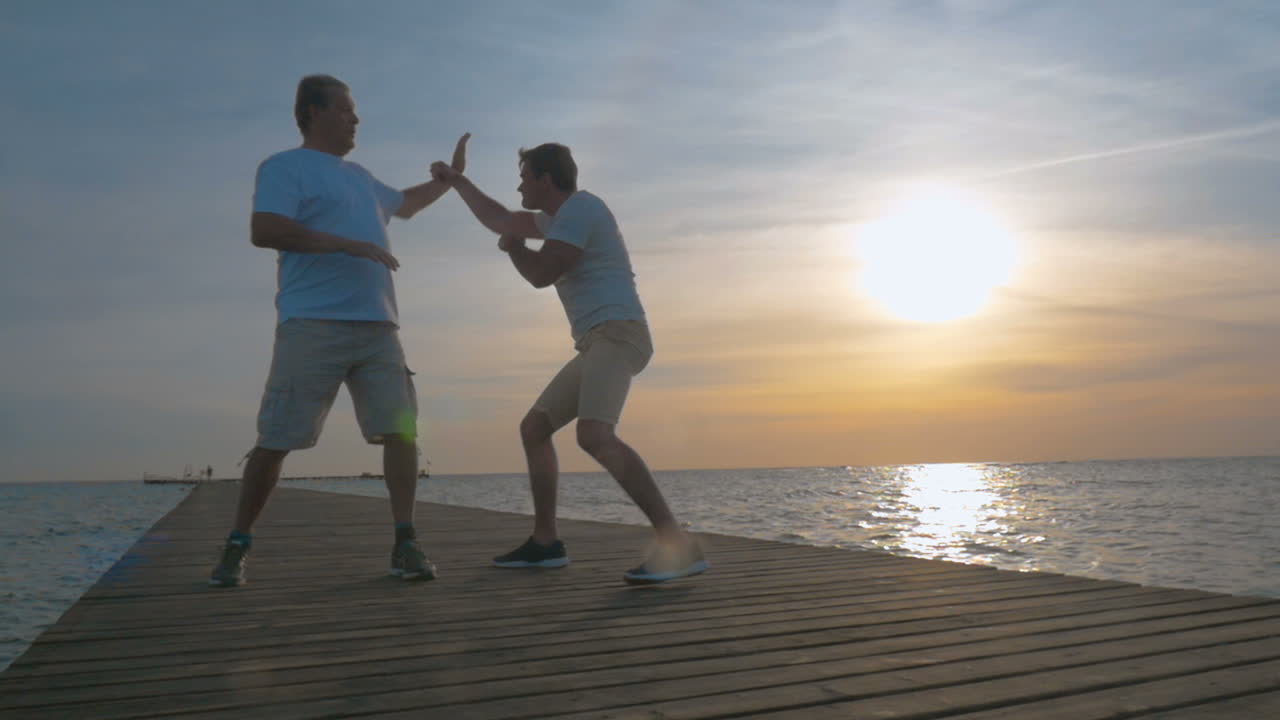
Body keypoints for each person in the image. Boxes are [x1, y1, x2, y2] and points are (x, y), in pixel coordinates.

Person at [209, 74, 469, 587]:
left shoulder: (362, 178)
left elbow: (408, 204)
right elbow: (266, 229)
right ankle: (237, 544)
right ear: (313, 112)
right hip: (313, 326)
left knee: (402, 432)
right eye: (347, 110)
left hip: (379, 330)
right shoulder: (285, 167)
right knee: (277, 438)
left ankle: (405, 542)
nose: (356, 119)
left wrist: (451, 179)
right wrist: (346, 244)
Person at [430, 143, 707, 585]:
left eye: (524, 177)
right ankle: (545, 543)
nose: (519, 185)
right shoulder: (555, 220)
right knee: (534, 428)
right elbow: (498, 219)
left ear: (545, 178)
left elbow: (541, 273)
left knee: (594, 434)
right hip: (597, 342)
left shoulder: (581, 209)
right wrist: (458, 182)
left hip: (619, 333)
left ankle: (678, 544)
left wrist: (516, 249)